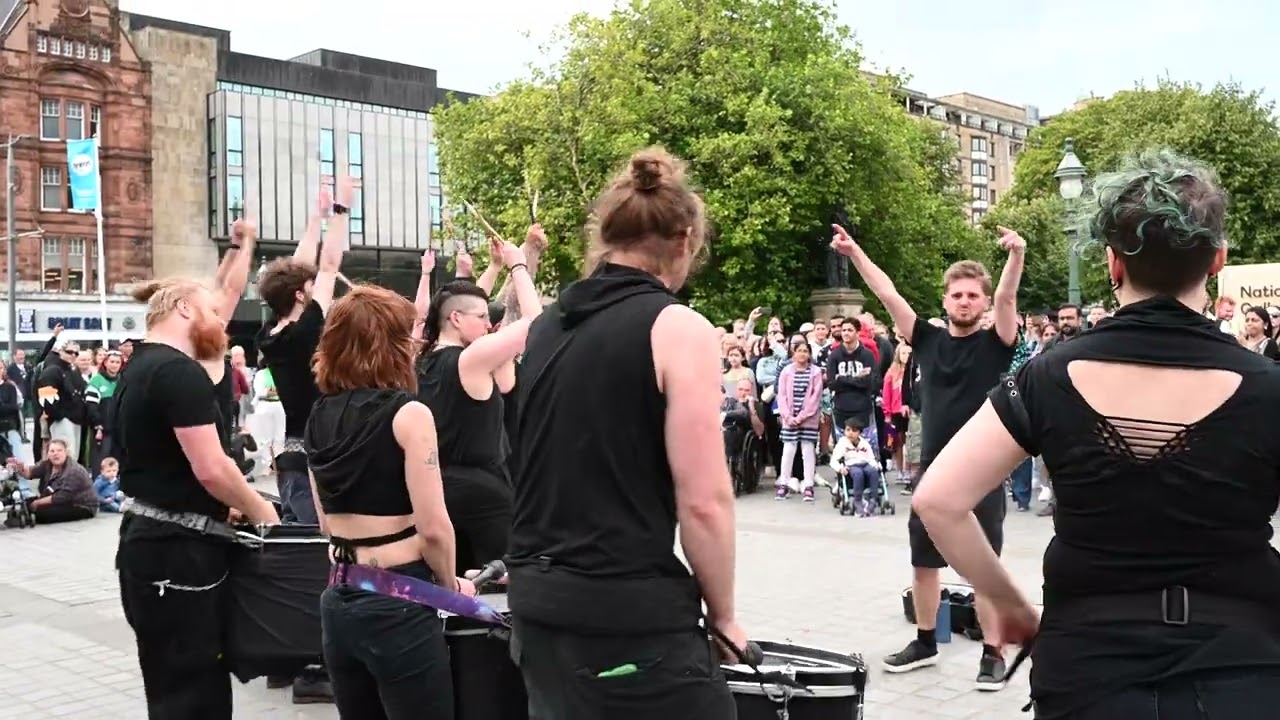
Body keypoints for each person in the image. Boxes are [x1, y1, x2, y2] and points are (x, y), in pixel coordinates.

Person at [913, 150, 1280, 720]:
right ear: (1217, 260)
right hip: (1242, 669)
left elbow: (939, 501)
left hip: (1089, 668)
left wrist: (1005, 601)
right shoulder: (1268, 385)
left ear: (1112, 264)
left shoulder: (1048, 375)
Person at [508, 147, 745, 720]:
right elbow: (705, 501)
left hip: (537, 599)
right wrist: (725, 613)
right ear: (685, 239)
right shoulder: (677, 328)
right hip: (623, 607)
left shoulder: (543, 329)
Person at [831, 220, 1026, 689]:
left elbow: (1006, 301)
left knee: (985, 569)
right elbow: (888, 293)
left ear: (982, 303)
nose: (964, 301)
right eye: (956, 295)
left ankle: (993, 653)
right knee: (924, 562)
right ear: (945, 301)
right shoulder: (927, 339)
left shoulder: (996, 344)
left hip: (981, 473)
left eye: (972, 295)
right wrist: (854, 253)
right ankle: (924, 641)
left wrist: (1016, 257)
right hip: (933, 474)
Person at [304, 285, 475, 720]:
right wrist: (449, 586)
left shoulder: (318, 415)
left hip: (338, 593)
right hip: (398, 598)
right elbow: (435, 527)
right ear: (390, 345)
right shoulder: (409, 414)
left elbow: (326, 523)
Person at [113, 278, 279, 720]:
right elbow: (213, 467)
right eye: (210, 310)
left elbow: (166, 462)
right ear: (184, 309)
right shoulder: (176, 371)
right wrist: (264, 512)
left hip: (151, 542)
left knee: (171, 684)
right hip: (177, 551)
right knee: (193, 690)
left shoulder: (138, 367)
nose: (219, 322)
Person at [417, 231, 542, 573]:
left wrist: (492, 267)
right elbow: (538, 325)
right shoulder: (469, 359)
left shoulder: (420, 358)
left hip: (433, 488)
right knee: (505, 587)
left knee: (454, 588)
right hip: (482, 494)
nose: (490, 325)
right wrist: (518, 266)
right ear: (456, 319)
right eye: (483, 318)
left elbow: (455, 301)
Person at [257, 183, 349, 525]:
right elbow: (327, 267)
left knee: (299, 539)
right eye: (307, 288)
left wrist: (316, 217)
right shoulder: (306, 329)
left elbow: (298, 268)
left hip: (292, 452)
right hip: (322, 451)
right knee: (320, 544)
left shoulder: (269, 334)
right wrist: (339, 213)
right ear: (299, 296)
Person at [4, 438, 97, 524]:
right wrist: (18, 468)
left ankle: (27, 519)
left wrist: (38, 502)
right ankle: (22, 516)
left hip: (79, 505)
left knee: (42, 512)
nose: (55, 454)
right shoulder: (47, 464)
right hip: (58, 500)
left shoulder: (74, 471)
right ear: (47, 454)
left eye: (59, 451)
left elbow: (62, 497)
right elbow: (29, 473)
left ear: (66, 452)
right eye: (52, 451)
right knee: (25, 502)